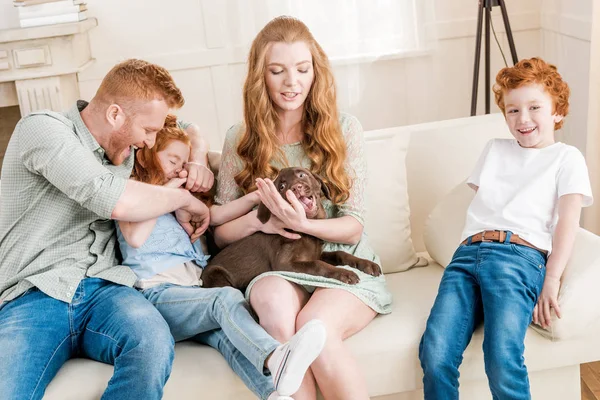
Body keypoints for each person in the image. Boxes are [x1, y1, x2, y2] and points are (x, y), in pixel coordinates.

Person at [0, 59, 213, 400]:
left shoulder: (125, 146)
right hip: (34, 293)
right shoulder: (42, 130)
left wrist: (198, 153)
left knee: (153, 342)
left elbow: (184, 124)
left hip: (106, 289)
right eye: (148, 131)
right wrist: (186, 200)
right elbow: (110, 198)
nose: (150, 142)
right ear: (115, 114)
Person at [212, 16, 392, 399]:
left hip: (338, 259)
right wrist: (265, 225)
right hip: (279, 264)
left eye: (301, 69)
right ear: (261, 77)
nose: (291, 82)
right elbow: (220, 232)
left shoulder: (344, 129)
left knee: (317, 328)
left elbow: (353, 226)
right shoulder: (239, 139)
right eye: (277, 71)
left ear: (316, 72)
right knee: (273, 306)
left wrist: (303, 225)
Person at [116, 115, 327, 400]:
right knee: (225, 298)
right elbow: (135, 237)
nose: (180, 170)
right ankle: (277, 356)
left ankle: (275, 395)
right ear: (145, 158)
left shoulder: (184, 199)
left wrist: (255, 198)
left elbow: (214, 218)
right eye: (173, 161)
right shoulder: (132, 192)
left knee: (227, 339)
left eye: (183, 163)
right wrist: (175, 195)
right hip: (157, 295)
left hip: (193, 294)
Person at [418, 57, 594, 399]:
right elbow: (485, 204)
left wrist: (552, 281)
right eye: (512, 111)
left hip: (519, 259)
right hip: (466, 257)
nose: (522, 119)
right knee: (435, 352)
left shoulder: (566, 158)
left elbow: (568, 225)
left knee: (501, 356)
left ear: (557, 111)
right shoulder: (493, 150)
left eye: (534, 107)